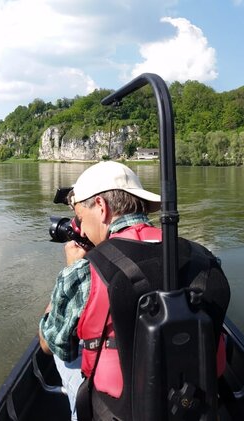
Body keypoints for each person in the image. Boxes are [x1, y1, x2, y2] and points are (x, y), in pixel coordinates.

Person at [38, 161, 162, 420]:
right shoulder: (196, 256)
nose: (81, 229)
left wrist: (69, 272)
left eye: (81, 218)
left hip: (116, 409)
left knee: (63, 352)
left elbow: (48, 344)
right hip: (184, 401)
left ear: (102, 208)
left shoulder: (86, 271)